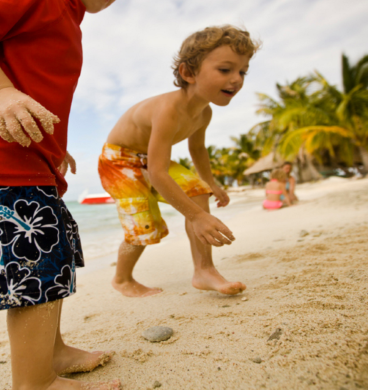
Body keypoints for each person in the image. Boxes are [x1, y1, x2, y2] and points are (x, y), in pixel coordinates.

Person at [0, 0, 138, 389]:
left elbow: (39, 85)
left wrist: (54, 149)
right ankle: (35, 382)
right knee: (32, 270)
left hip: (31, 164)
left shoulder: (66, 13)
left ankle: (54, 352)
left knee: (52, 260)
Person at [99, 25, 260, 298]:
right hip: (118, 161)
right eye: (225, 70)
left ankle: (204, 271)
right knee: (143, 226)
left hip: (148, 159)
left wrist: (211, 183)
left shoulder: (203, 114)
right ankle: (122, 279)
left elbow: (198, 149)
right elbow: (159, 173)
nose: (237, 79)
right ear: (188, 73)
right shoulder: (168, 110)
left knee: (198, 191)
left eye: (242, 71)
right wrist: (196, 217)